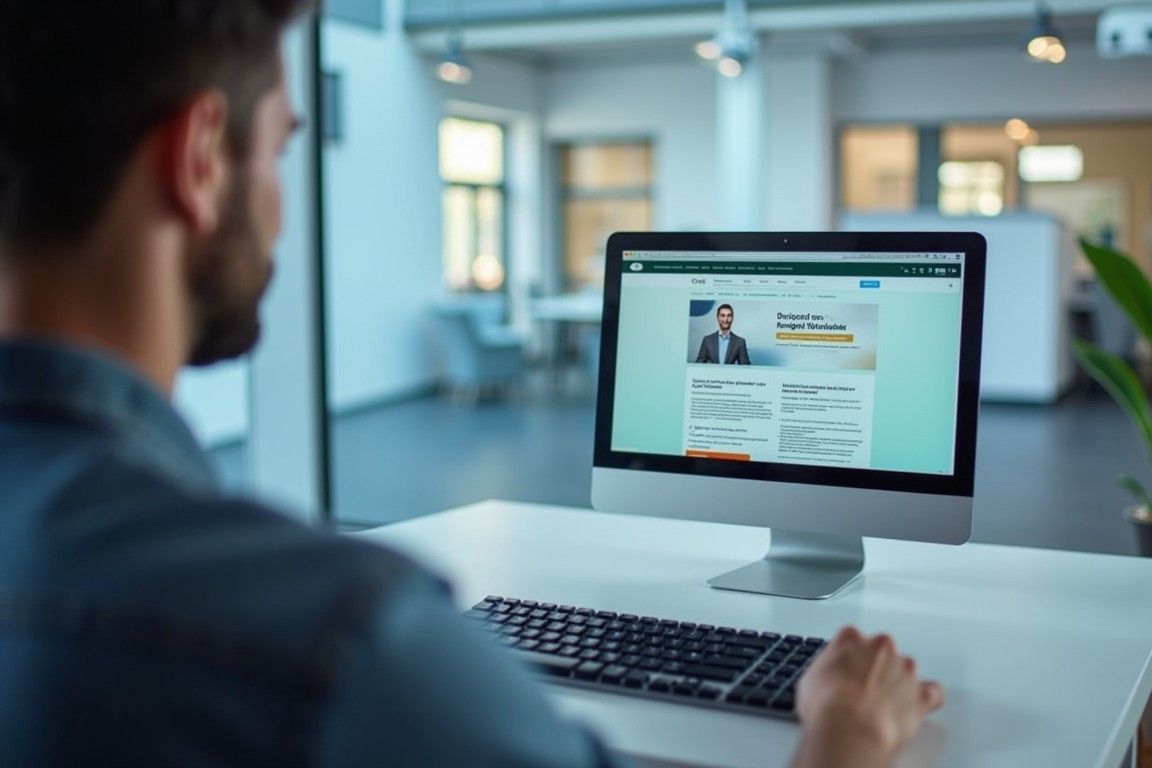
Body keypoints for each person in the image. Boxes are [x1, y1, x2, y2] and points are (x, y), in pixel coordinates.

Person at [0, 2, 942, 766]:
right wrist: (845, 739)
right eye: (282, 150)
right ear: (201, 158)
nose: (284, 205)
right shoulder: (335, 639)